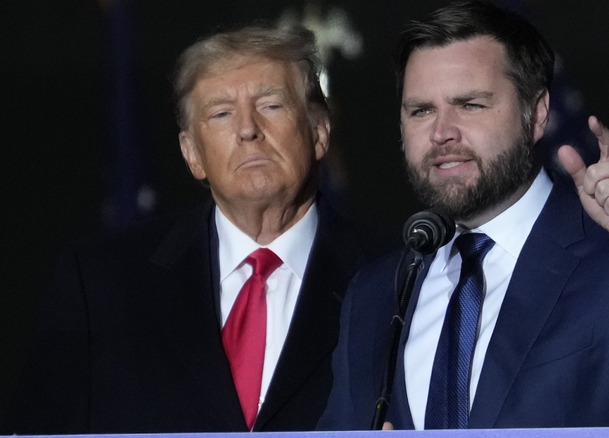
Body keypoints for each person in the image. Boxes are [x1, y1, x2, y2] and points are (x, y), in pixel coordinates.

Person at [319, 0, 609, 430]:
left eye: (470, 104)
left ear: (538, 115)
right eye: (421, 110)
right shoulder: (376, 294)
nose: (441, 133)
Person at [13, 22, 372, 433]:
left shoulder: (396, 277)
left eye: (271, 105)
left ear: (319, 132)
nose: (248, 129)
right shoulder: (100, 282)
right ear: (192, 154)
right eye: (221, 113)